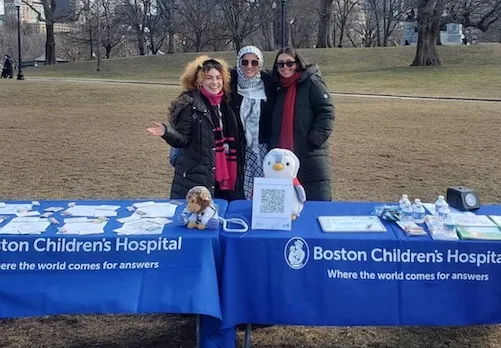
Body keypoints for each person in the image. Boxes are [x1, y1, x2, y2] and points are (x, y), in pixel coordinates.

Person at [147, 55, 245, 201]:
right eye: (209, 78)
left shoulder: (227, 104)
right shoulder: (190, 105)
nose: (214, 82)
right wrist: (166, 132)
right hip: (198, 176)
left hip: (226, 174)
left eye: (218, 78)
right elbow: (183, 140)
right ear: (199, 81)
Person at [269, 47, 335, 201]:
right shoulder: (278, 87)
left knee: (315, 195)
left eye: (289, 63)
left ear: (298, 63)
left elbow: (327, 110)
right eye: (280, 64)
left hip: (309, 150)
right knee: (288, 199)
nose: (285, 67)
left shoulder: (311, 82)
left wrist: (315, 139)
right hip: (284, 151)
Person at [230, 46, 276, 199]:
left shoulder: (269, 84)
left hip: (262, 147)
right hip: (238, 148)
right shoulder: (230, 84)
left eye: (254, 63)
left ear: (260, 64)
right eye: (245, 62)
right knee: (239, 188)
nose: (249, 66)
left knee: (263, 189)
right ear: (238, 63)